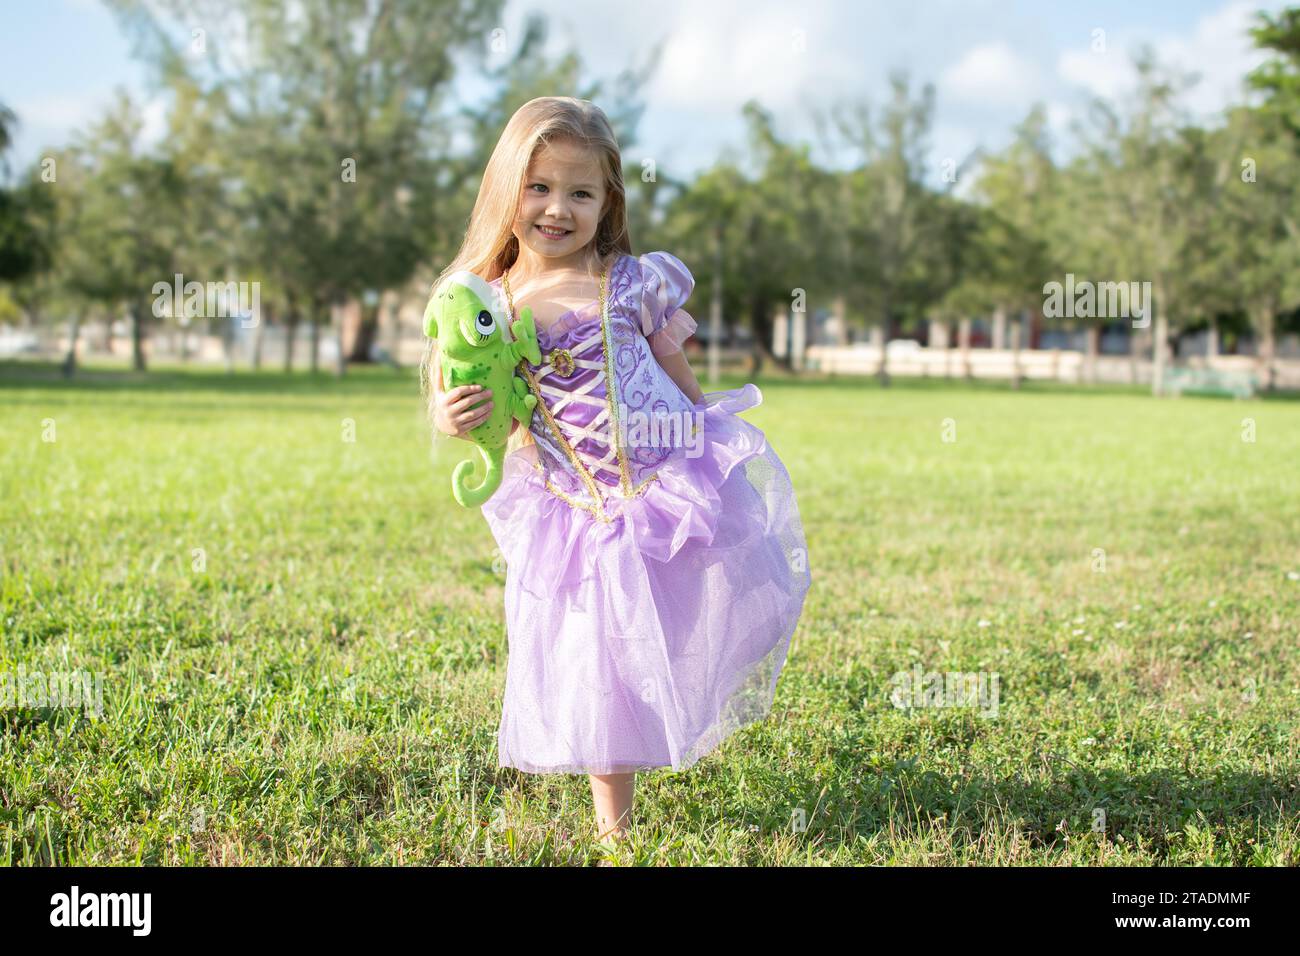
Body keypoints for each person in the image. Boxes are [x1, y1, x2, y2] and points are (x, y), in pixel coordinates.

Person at [420, 96, 811, 843]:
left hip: (662, 488)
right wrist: (453, 416)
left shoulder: (634, 283)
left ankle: (670, 739)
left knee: (690, 621)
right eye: (538, 188)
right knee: (599, 658)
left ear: (608, 201)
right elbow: (482, 406)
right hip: (578, 510)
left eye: (580, 192)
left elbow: (681, 381)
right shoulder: (484, 307)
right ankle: (614, 832)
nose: (556, 209)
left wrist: (709, 440)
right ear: (507, 190)